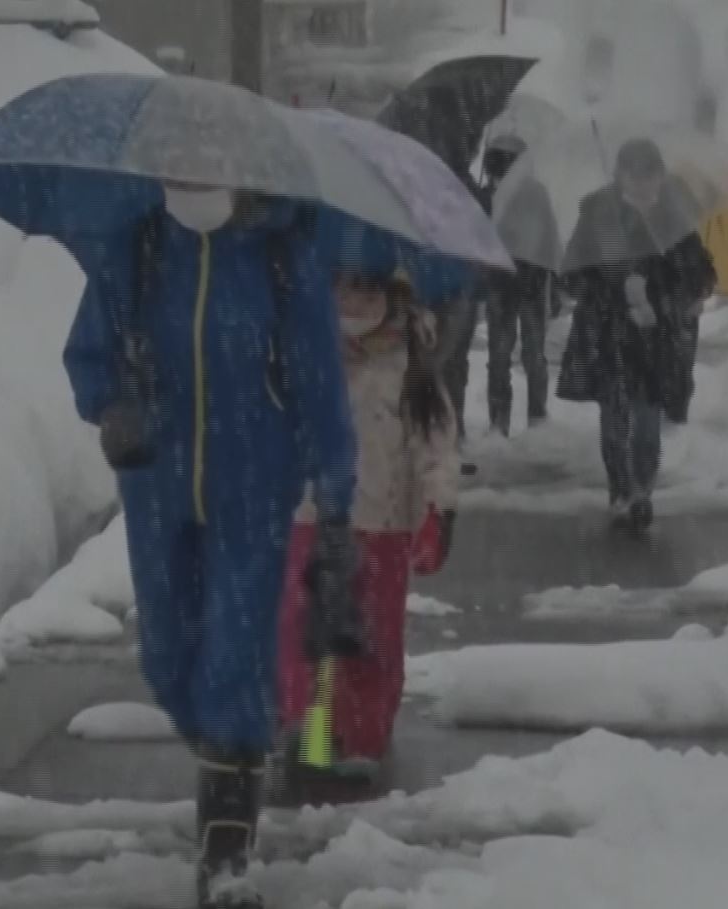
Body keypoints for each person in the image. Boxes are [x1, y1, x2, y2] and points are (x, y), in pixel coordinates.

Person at [62, 184, 358, 909]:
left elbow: (318, 379)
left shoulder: (281, 257)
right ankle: (232, 758)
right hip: (156, 484)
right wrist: (110, 405)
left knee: (233, 656)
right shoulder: (133, 248)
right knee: (170, 659)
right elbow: (87, 351)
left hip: (253, 485)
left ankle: (227, 848)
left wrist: (335, 492)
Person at [276, 266, 458, 778]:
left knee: (372, 640)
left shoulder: (412, 372)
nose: (354, 301)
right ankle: (309, 736)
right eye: (344, 286)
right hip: (312, 519)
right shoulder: (306, 360)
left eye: (368, 288)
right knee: (304, 635)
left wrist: (438, 510)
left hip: (382, 530)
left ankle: (361, 740)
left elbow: (437, 449)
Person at [557, 138, 717, 537]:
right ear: (620, 174)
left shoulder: (674, 218)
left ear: (661, 176)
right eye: (634, 173)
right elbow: (572, 274)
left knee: (647, 418)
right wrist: (614, 286)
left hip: (655, 337)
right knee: (614, 414)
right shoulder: (599, 215)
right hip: (610, 332)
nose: (643, 182)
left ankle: (642, 489)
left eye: (650, 173)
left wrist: (658, 301)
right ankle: (620, 489)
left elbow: (701, 277)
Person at [479, 133, 559, 435]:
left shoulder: (536, 195)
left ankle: (537, 418)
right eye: (496, 160)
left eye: (507, 161)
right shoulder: (485, 197)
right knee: (499, 357)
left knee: (533, 356)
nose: (500, 167)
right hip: (501, 285)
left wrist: (552, 283)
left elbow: (548, 240)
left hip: (531, 285)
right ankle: (498, 422)